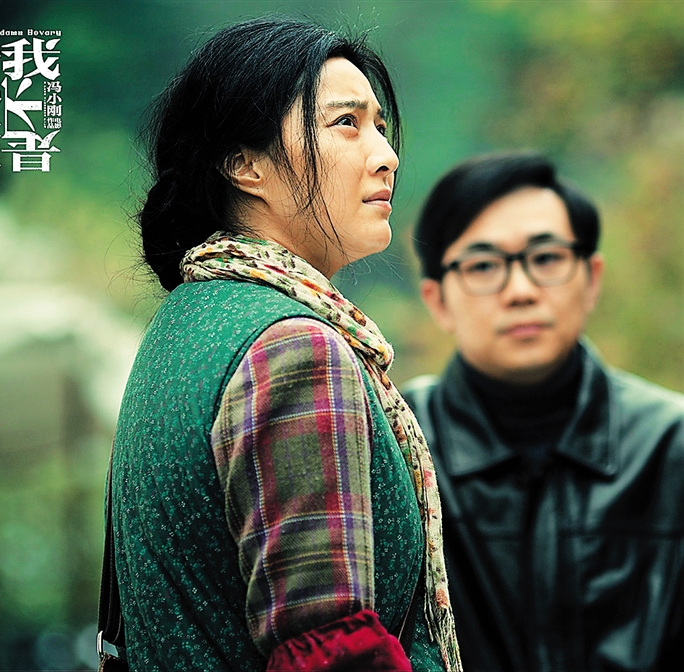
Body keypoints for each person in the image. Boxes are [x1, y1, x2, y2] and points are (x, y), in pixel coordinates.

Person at [106, 17, 463, 672]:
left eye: (380, 127)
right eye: (346, 123)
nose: (386, 155)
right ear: (245, 165)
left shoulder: (187, 322)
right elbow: (330, 652)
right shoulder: (294, 349)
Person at [402, 151, 684, 672]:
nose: (521, 291)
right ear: (437, 300)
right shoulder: (398, 448)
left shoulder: (670, 445)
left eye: (547, 259)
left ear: (591, 278)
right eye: (483, 266)